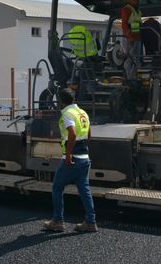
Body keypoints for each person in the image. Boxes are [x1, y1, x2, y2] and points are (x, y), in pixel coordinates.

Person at [43, 88, 97, 233]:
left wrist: (68, 155)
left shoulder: (67, 113)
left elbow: (72, 133)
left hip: (73, 159)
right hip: (84, 158)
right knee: (84, 190)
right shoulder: (82, 113)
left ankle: (58, 221)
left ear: (61, 101)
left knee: (57, 187)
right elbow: (89, 134)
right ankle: (91, 222)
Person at [121, 0, 143, 79]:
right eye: (134, 0)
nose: (136, 2)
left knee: (137, 59)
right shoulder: (127, 9)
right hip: (129, 38)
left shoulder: (137, 11)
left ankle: (134, 77)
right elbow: (124, 24)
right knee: (129, 59)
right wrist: (129, 37)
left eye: (137, 0)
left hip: (137, 38)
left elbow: (138, 24)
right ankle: (128, 78)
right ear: (129, 0)